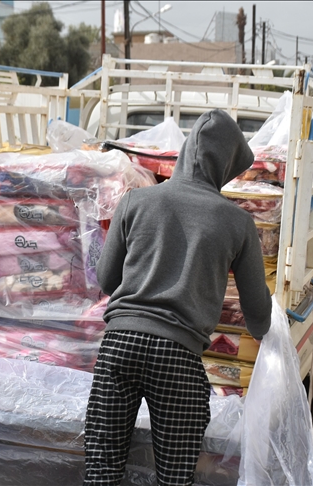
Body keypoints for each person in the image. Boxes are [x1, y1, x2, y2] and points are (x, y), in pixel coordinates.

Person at [84, 110, 273, 485]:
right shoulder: (237, 222)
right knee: (175, 476)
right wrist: (269, 327)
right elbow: (257, 313)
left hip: (120, 346)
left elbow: (106, 279)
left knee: (102, 471)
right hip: (178, 355)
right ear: (228, 166)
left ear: (185, 153)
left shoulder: (135, 201)